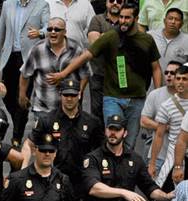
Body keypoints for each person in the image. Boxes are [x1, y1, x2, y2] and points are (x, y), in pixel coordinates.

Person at [51, 3, 162, 149]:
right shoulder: (111, 36)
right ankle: (107, 169)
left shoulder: (146, 40)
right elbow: (86, 55)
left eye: (127, 18)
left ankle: (123, 171)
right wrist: (63, 73)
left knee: (129, 143)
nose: (123, 20)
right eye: (121, 17)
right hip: (113, 97)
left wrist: (158, 94)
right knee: (113, 137)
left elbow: (156, 68)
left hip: (137, 99)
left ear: (136, 18)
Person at [139, 65, 188, 201]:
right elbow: (158, 135)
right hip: (175, 161)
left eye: (185, 79)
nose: (180, 83)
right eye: (178, 79)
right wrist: (152, 164)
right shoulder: (167, 105)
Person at [0, 0, 50, 147]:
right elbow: (0, 32)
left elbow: (50, 27)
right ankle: (19, 119)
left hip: (29, 58)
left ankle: (16, 137)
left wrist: (40, 32)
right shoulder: (8, 4)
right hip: (9, 56)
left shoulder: (42, 5)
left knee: (22, 97)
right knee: (7, 95)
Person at [20, 17, 89, 122]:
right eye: (49, 29)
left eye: (57, 29)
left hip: (70, 109)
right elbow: (25, 74)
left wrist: (79, 92)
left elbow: (85, 74)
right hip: (43, 109)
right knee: (43, 138)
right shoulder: (37, 49)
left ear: (65, 32)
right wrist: (22, 94)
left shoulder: (76, 49)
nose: (53, 32)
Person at [140, 60, 181, 181]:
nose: (168, 75)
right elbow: (143, 121)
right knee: (153, 191)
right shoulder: (155, 94)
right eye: (166, 72)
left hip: (180, 158)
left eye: (173, 73)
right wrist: (164, 127)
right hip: (158, 155)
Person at [87, 0, 120, 121]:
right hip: (98, 74)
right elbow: (94, 43)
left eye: (119, 1)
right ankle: (98, 140)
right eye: (111, 0)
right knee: (97, 113)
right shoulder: (97, 19)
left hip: (120, 75)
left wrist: (103, 36)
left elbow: (132, 45)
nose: (115, 3)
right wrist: (118, 39)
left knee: (118, 112)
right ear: (106, 2)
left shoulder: (127, 20)